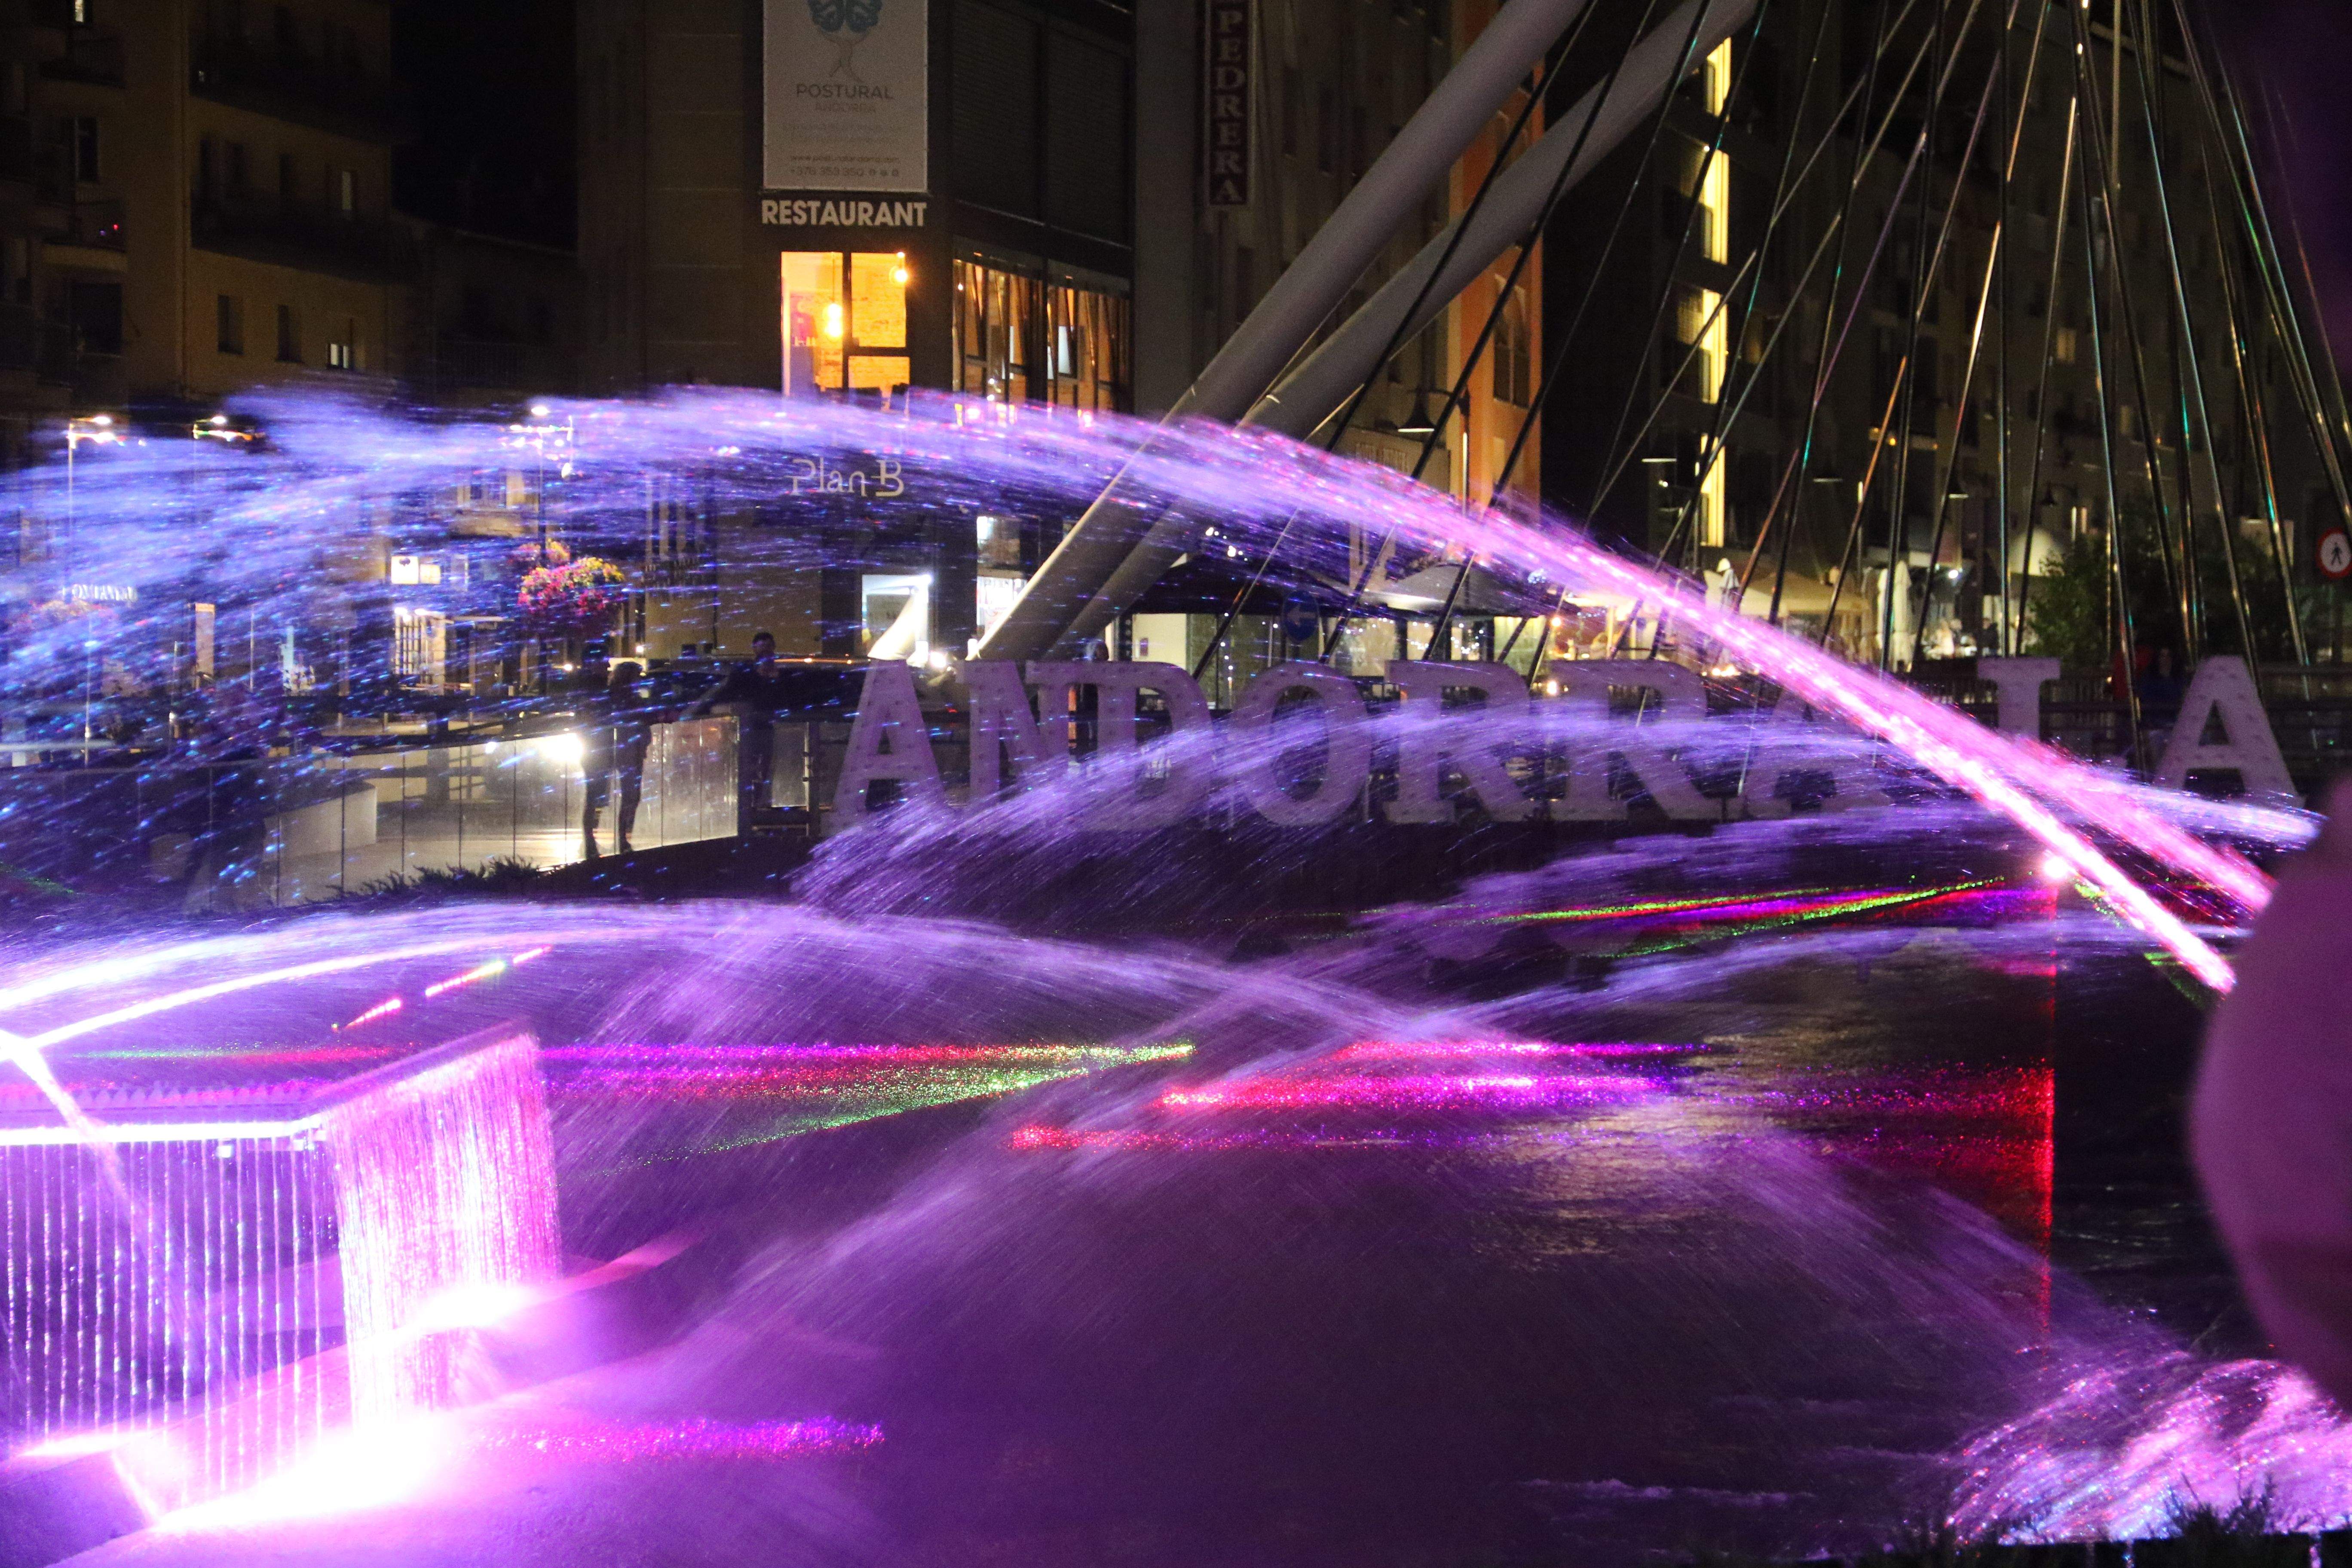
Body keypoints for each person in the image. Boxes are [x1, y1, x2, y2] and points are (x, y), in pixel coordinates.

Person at [690, 631, 795, 814]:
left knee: (766, 767)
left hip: (766, 727)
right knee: (750, 767)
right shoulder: (745, 675)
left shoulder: (778, 675)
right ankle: (750, 805)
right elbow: (734, 696)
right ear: (755, 649)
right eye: (763, 648)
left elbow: (783, 700)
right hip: (748, 728)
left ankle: (761, 804)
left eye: (769, 648)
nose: (767, 653)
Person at [582, 660, 652, 859]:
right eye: (637, 678)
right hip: (611, 751)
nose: (639, 682)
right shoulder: (612, 700)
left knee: (605, 797)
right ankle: (610, 841)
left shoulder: (620, 699)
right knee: (603, 797)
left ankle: (607, 840)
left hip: (619, 751)